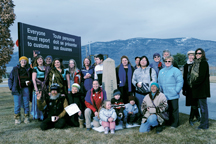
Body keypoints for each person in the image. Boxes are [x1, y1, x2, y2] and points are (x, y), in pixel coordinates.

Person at [158, 56, 183, 128]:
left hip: (173, 94)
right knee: (167, 109)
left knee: (174, 109)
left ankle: (175, 123)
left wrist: (176, 91)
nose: (167, 63)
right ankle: (168, 122)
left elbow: (180, 81)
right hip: (164, 94)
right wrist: (160, 92)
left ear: (172, 62)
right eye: (166, 61)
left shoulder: (176, 70)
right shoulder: (161, 71)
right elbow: (159, 82)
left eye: (169, 61)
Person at [190, 48, 210, 130]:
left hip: (202, 89)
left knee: (203, 107)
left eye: (199, 53)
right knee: (200, 107)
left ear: (203, 54)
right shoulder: (195, 63)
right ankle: (204, 123)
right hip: (197, 89)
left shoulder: (203, 63)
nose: (197, 54)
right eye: (196, 53)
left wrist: (193, 83)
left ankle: (204, 125)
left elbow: (201, 77)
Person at [8, 56, 32, 124]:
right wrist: (11, 87)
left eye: (25, 60)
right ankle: (17, 118)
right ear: (20, 62)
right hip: (16, 89)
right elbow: (10, 79)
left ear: (26, 62)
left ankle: (26, 118)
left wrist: (30, 82)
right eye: (22, 60)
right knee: (17, 105)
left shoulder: (28, 69)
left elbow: (31, 79)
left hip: (26, 89)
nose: (23, 62)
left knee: (26, 104)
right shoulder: (15, 69)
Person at [182, 50, 200, 126]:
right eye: (189, 55)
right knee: (193, 103)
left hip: (195, 87)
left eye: (192, 55)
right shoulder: (186, 65)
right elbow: (184, 77)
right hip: (188, 87)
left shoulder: (197, 65)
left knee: (194, 104)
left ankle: (191, 119)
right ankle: (198, 117)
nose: (191, 57)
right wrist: (184, 88)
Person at [31, 55, 51, 120]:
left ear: (43, 60)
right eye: (38, 59)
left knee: (45, 101)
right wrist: (36, 89)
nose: (40, 60)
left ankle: (45, 115)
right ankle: (38, 116)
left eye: (41, 59)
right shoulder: (35, 68)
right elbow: (34, 79)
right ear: (36, 61)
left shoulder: (47, 68)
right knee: (38, 101)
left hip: (45, 87)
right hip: (38, 87)